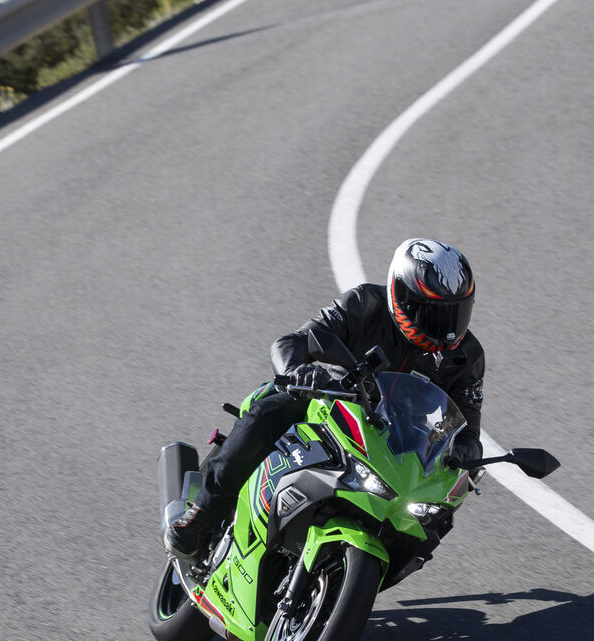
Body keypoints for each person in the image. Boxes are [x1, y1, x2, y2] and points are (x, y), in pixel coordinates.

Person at [164, 238, 485, 560]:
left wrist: (467, 454)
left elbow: (469, 426)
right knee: (270, 411)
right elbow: (294, 340)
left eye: (456, 314)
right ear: (402, 296)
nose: (448, 330)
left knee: (435, 514)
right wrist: (297, 371)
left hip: (395, 440)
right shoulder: (365, 303)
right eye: (435, 314)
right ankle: (204, 512)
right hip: (330, 404)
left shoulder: (467, 356)